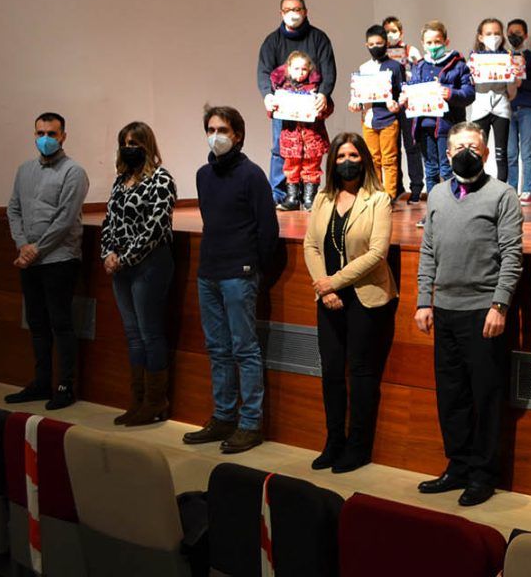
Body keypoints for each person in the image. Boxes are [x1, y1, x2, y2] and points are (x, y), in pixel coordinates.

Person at [414, 122, 524, 507]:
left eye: (473, 147)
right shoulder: (438, 195)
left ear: (486, 153)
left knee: (486, 396)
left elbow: (512, 255)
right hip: (443, 311)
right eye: (459, 146)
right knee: (451, 396)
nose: (466, 152)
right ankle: (457, 466)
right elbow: (428, 250)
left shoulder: (502, 195)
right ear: (447, 154)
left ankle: (482, 475)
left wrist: (500, 304)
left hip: (483, 313)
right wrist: (423, 301)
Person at [183, 106, 280, 455]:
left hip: (239, 274)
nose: (216, 135)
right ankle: (223, 416)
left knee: (244, 349)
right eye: (210, 128)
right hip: (208, 272)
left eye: (223, 129)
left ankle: (250, 423)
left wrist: (254, 269)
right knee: (218, 349)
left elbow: (267, 229)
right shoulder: (202, 175)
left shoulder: (252, 175)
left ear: (237, 134)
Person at [303, 133, 397, 474]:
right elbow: (311, 246)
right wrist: (323, 288)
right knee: (331, 373)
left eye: (353, 154)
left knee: (361, 374)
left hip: (365, 297)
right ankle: (333, 442)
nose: (347, 160)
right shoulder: (323, 198)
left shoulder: (378, 200)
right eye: (341, 155)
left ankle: (358, 447)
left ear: (364, 160)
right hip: (327, 298)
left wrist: (335, 282)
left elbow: (377, 254)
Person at [4, 112, 90, 410]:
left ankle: (65, 386)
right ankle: (41, 383)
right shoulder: (24, 170)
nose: (45, 138)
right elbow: (13, 210)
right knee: (37, 323)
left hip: (60, 259)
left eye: (51, 134)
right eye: (40, 132)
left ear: (63, 136)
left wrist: (35, 250)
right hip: (30, 260)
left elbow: (65, 219)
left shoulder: (73, 172)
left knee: (60, 323)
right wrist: (22, 245)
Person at [100, 122, 177, 426]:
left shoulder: (161, 180)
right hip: (120, 266)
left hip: (150, 265)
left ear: (147, 145)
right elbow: (109, 220)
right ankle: (138, 400)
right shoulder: (121, 181)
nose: (129, 147)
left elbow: (155, 228)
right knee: (133, 336)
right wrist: (107, 254)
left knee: (150, 333)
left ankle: (156, 401)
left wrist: (127, 257)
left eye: (135, 142)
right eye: (125, 142)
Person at [256, 0, 337, 204]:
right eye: (288, 10)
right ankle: (281, 195)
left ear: (305, 11)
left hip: (311, 108)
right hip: (284, 109)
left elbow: (329, 70)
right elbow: (263, 71)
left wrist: (324, 94)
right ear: (281, 13)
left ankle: (309, 196)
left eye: (297, 9)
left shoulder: (319, 38)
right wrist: (267, 96)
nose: (293, 14)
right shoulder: (272, 41)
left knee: (311, 152)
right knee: (280, 149)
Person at [405, 20, 475, 204]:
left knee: (447, 169)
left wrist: (450, 93)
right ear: (422, 44)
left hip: (448, 126)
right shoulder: (419, 66)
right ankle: (434, 211)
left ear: (446, 41)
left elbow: (469, 94)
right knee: (431, 170)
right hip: (424, 126)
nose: (433, 46)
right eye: (429, 43)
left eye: (437, 42)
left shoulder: (458, 65)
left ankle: (454, 208)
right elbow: (413, 92)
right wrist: (407, 99)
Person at [268, 50, 333, 211]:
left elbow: (328, 108)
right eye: (296, 69)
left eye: (304, 69)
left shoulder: (317, 89)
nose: (300, 73)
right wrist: (274, 106)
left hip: (312, 137)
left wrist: (321, 107)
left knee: (311, 168)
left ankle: (309, 198)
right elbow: (273, 113)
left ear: (309, 69)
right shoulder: (281, 90)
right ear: (288, 69)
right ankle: (292, 198)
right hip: (291, 139)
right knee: (291, 168)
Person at [349, 25, 406, 198]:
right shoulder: (363, 68)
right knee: (372, 160)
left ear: (386, 43)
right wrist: (355, 103)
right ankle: (375, 194)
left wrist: (398, 103)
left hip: (388, 119)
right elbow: (357, 94)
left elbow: (403, 91)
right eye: (371, 44)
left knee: (389, 159)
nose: (375, 47)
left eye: (379, 43)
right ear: (366, 45)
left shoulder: (395, 66)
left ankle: (389, 196)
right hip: (368, 119)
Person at [470, 18, 520, 183]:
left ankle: (501, 190)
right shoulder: (474, 58)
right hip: (480, 107)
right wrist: (470, 73)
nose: (493, 37)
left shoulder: (509, 57)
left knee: (502, 153)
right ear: (480, 37)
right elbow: (469, 86)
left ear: (503, 36)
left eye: (497, 33)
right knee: (476, 151)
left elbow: (512, 93)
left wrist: (515, 76)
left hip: (501, 107)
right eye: (489, 34)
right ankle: (477, 188)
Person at [382, 15, 426, 203]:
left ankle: (416, 187)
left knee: (412, 146)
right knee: (392, 148)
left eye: (394, 31)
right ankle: (397, 187)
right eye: (387, 31)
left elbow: (422, 70)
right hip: (389, 104)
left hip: (408, 103)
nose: (390, 35)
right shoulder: (381, 53)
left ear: (401, 32)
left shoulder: (411, 50)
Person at [506, 18, 531, 205]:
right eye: (511, 32)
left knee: (526, 152)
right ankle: (511, 189)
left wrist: (524, 83)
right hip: (506, 109)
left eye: (518, 33)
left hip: (527, 109)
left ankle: (528, 190)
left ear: (526, 35)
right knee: (510, 152)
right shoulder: (502, 57)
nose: (514, 36)